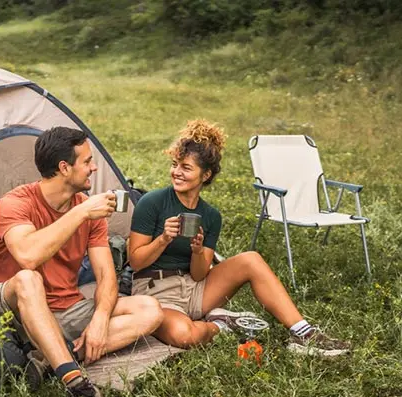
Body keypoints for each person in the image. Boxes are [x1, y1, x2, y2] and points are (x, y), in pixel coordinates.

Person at [0, 126, 164, 397]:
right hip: (14, 311)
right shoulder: (16, 203)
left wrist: (99, 320)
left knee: (150, 310)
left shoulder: (89, 209)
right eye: (87, 161)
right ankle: (79, 389)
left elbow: (107, 275)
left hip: (67, 310)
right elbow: (27, 256)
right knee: (28, 279)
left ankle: (48, 356)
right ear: (64, 168)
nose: (94, 167)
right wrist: (81, 212)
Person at [127, 119, 351, 357]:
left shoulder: (211, 216)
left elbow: (199, 274)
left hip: (194, 288)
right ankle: (220, 324)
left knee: (251, 260)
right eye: (175, 164)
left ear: (206, 175)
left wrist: (197, 251)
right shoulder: (152, 202)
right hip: (156, 293)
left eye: (186, 167)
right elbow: (136, 263)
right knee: (186, 335)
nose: (176, 172)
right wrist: (163, 239)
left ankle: (304, 333)